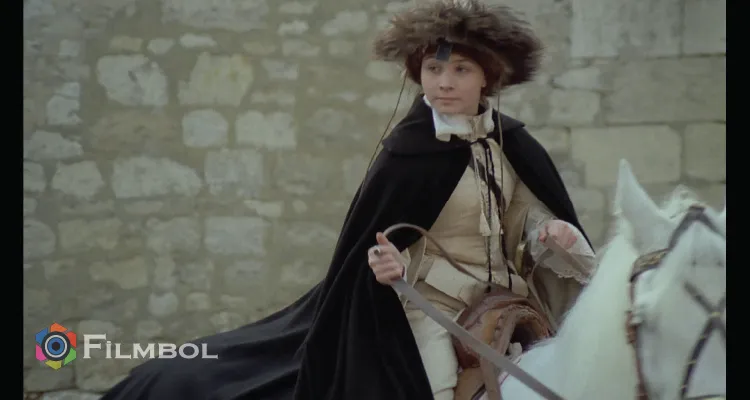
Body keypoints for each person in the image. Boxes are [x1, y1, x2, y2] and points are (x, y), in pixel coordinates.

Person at [100, 1, 595, 400]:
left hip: (504, 300)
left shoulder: (511, 144)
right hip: (425, 302)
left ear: (487, 77)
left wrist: (550, 231)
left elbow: (525, 215)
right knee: (434, 386)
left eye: (461, 69)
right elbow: (370, 241)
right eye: (433, 68)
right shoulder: (407, 153)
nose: (444, 82)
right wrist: (388, 264)